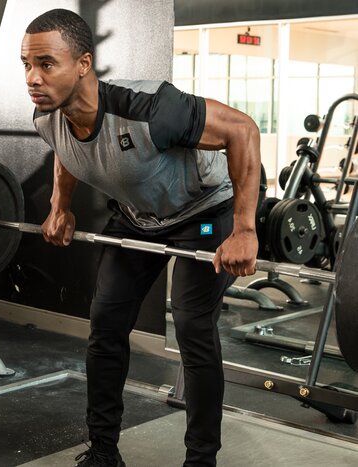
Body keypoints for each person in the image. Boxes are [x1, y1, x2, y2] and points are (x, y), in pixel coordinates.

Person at [21, 9, 261, 467]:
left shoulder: (149, 109)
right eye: (26, 65)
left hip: (206, 215)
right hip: (138, 218)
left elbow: (242, 130)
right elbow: (67, 153)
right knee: (106, 326)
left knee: (191, 322)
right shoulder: (47, 116)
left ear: (84, 65)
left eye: (46, 64)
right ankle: (104, 452)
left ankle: (201, 460)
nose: (33, 77)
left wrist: (245, 229)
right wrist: (60, 207)